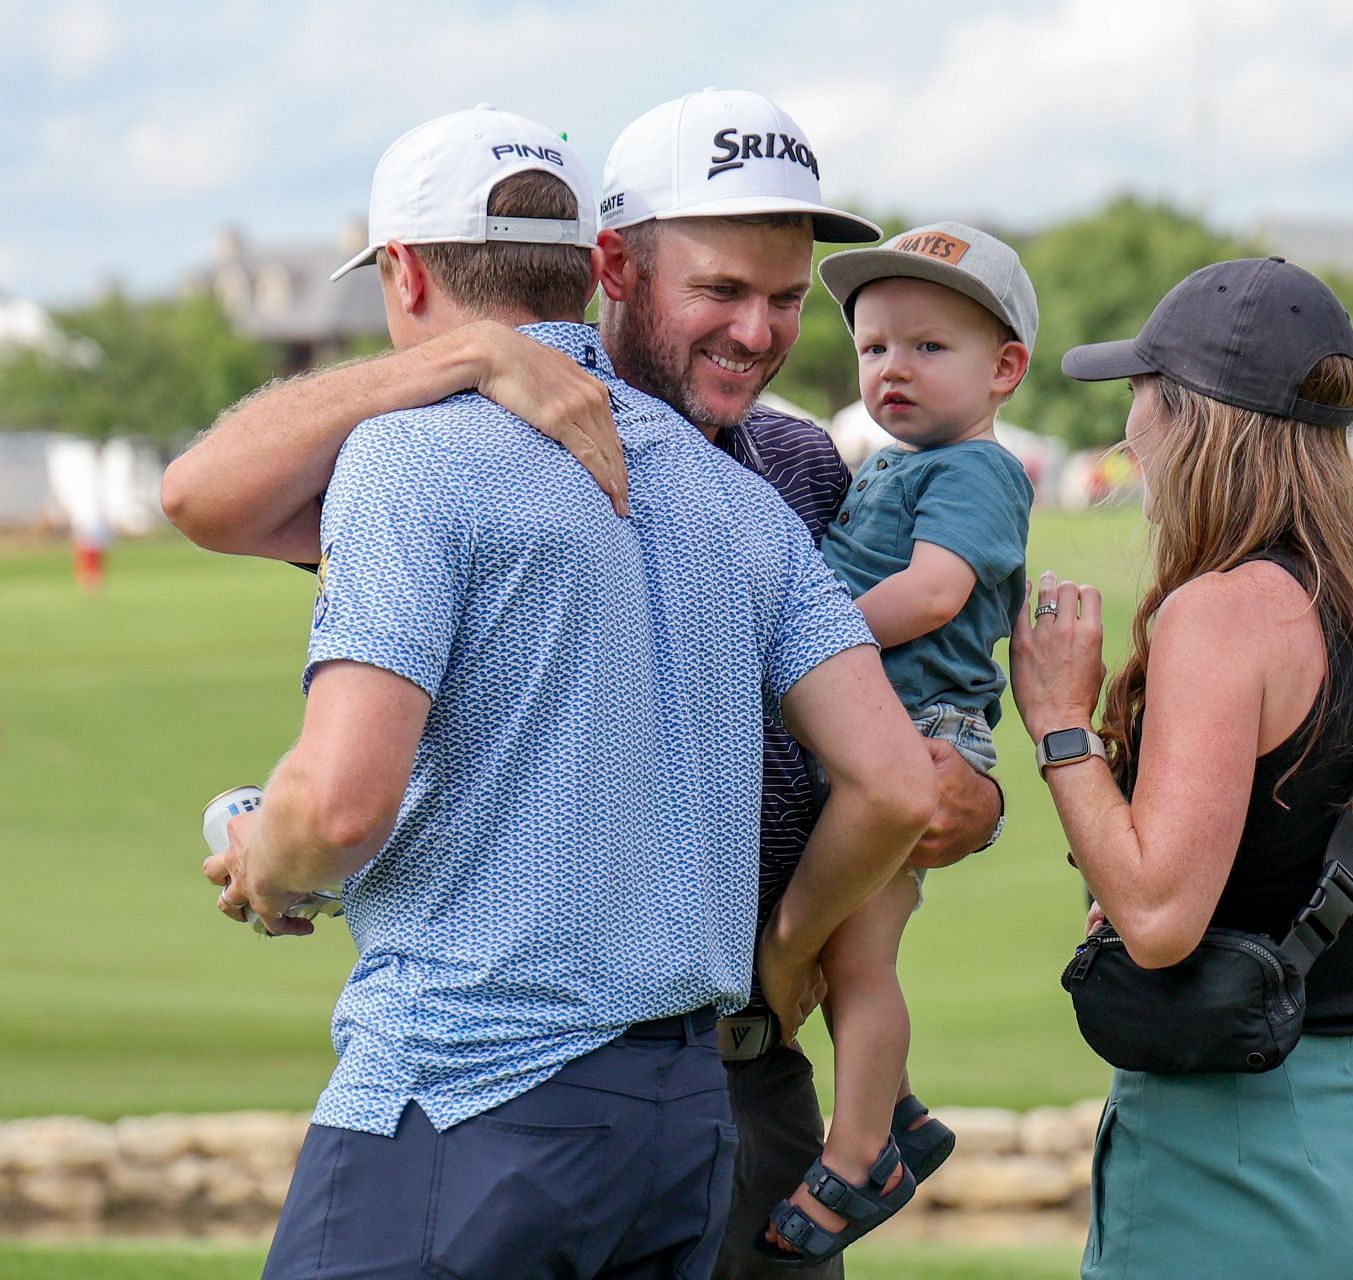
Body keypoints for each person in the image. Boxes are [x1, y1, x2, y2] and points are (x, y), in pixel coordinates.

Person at [162, 89, 1004, 1280]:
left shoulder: (435, 457)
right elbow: (884, 774)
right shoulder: (742, 509)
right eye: (724, 291)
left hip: (484, 1084)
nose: (761, 331)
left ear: (401, 273)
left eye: (781, 298)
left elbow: (342, 805)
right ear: (598, 268)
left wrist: (273, 862)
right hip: (677, 1117)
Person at [1012, 257, 1353, 1280]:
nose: (1129, 430)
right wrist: (1328, 966)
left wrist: (1062, 724)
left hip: (1236, 1148)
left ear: (1192, 416)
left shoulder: (1220, 610)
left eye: (1139, 396)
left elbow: (1159, 918)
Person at [750, 224, 1037, 1264]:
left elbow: (934, 591)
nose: (893, 371)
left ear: (1005, 368)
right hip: (871, 728)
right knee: (844, 948)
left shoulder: (974, 471)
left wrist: (800, 642)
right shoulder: (893, 464)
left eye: (928, 348)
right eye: (875, 350)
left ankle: (860, 1151)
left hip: (915, 732)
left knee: (862, 960)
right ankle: (901, 1106)